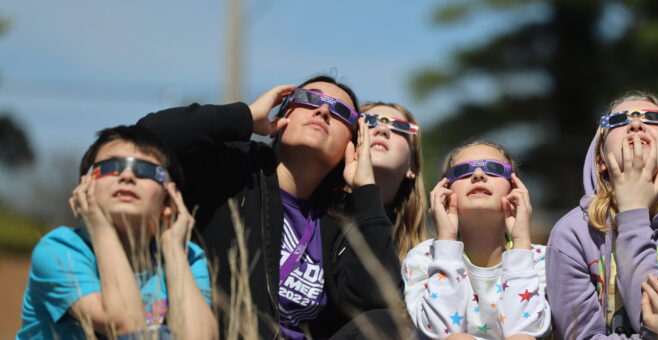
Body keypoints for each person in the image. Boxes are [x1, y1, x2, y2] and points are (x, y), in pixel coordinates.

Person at [137, 76, 402, 339]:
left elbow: (380, 302)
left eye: (340, 111)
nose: (322, 111)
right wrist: (244, 116)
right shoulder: (231, 165)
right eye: (309, 99)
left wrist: (366, 190)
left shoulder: (344, 217)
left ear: (352, 142)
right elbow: (143, 139)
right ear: (282, 113)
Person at [546, 92, 658, 339]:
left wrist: (632, 213)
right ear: (600, 160)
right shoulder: (571, 233)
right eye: (618, 120)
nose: (635, 124)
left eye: (653, 118)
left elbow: (652, 314)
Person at [17, 125, 215, 340]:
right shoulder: (60, 249)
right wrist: (100, 228)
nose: (127, 176)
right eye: (110, 167)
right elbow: (126, 325)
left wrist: (173, 248)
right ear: (84, 188)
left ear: (169, 199)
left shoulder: (188, 256)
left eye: (146, 170)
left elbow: (200, 337)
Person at [402, 141, 550, 339]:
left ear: (514, 188)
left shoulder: (542, 259)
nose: (478, 175)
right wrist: (446, 241)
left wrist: (521, 242)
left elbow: (525, 329)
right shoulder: (424, 258)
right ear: (444, 191)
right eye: (463, 170)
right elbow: (440, 330)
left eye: (494, 169)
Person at [359, 102, 427, 261]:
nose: (382, 129)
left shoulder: (427, 257)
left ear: (413, 166)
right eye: (369, 121)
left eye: (399, 127)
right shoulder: (315, 219)